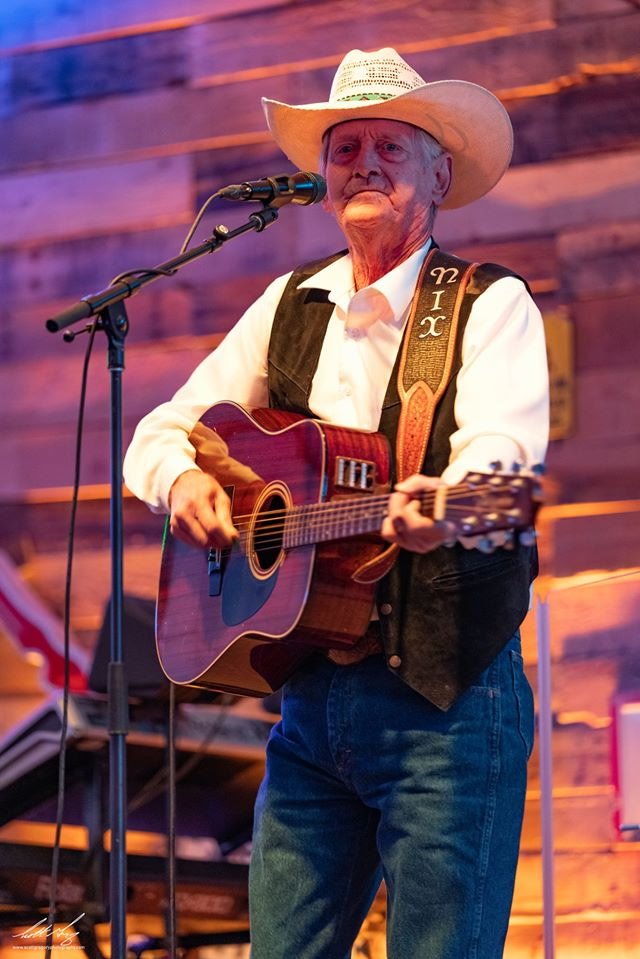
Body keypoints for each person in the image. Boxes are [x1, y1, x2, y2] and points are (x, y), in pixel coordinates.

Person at [124, 47, 549, 959]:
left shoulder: (488, 304)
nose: (365, 164)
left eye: (391, 147)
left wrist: (451, 503)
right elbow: (160, 432)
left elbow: (500, 455)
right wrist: (183, 479)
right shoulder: (288, 303)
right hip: (310, 704)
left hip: (446, 702)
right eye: (345, 148)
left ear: (439, 175)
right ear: (322, 179)